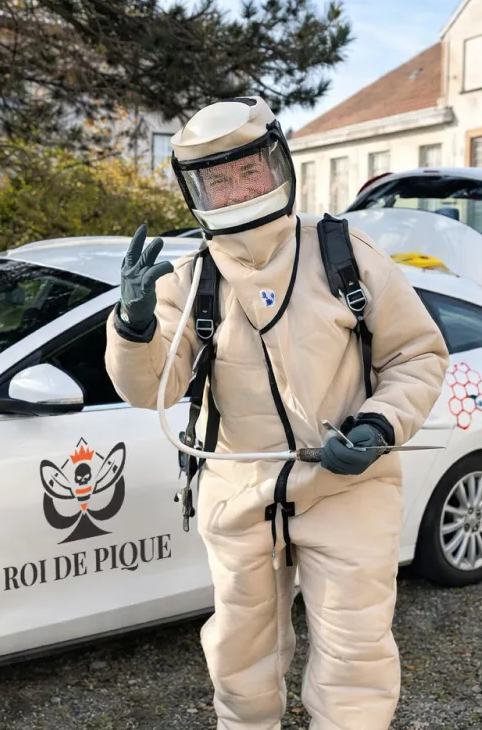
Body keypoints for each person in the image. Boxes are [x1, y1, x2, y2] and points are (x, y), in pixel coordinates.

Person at [105, 96, 449, 729]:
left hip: (348, 488)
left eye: (248, 170)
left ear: (278, 165)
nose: (238, 190)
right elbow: (150, 389)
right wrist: (132, 325)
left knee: (354, 653)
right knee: (240, 655)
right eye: (219, 179)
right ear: (196, 191)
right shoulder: (189, 280)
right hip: (238, 490)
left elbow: (417, 354)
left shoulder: (343, 253)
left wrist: (377, 427)